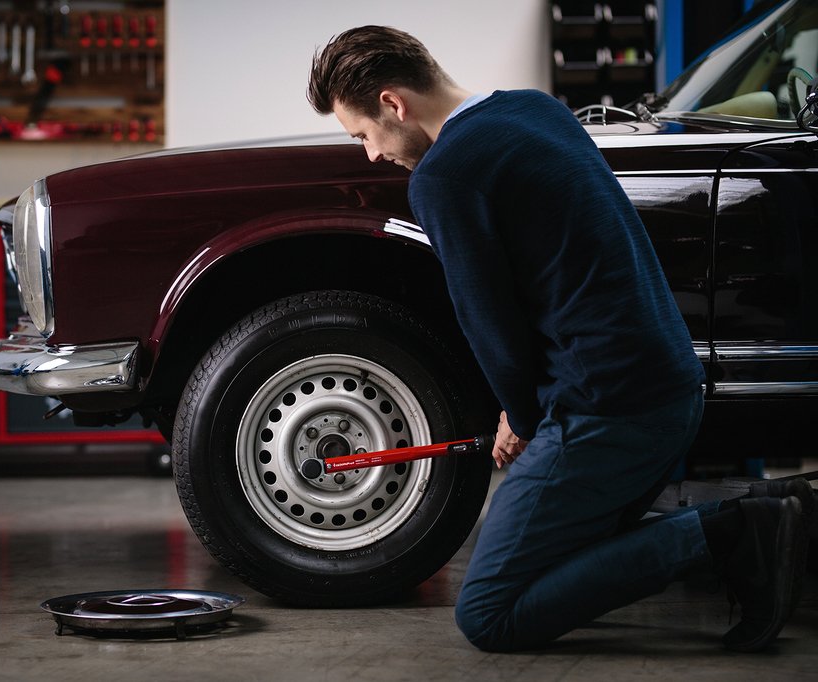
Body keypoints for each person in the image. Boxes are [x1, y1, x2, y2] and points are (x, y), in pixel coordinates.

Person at [307, 25, 813, 653]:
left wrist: (520, 417)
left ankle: (736, 529)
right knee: (553, 567)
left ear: (392, 102)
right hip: (672, 389)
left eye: (363, 135)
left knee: (489, 613)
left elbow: (487, 319)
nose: (371, 155)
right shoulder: (536, 108)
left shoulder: (445, 174)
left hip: (608, 409)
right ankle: (758, 519)